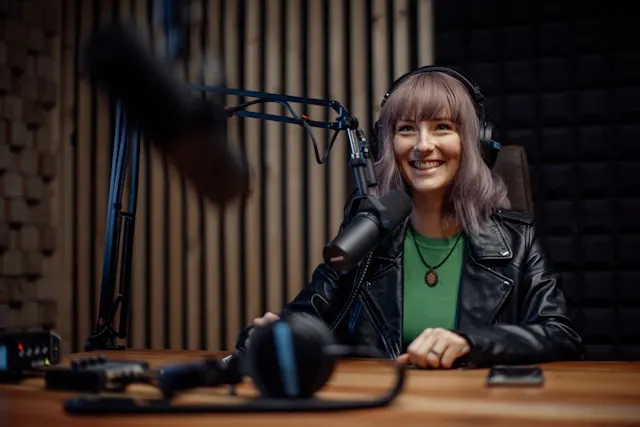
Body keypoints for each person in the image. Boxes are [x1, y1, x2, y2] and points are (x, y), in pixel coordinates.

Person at [234, 66, 583, 369]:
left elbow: (560, 334)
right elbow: (310, 312)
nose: (422, 145)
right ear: (386, 144)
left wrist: (472, 343)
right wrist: (276, 333)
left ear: (475, 142)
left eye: (442, 126)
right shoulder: (368, 232)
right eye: (406, 129)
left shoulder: (518, 240)